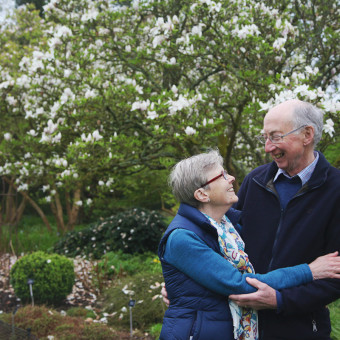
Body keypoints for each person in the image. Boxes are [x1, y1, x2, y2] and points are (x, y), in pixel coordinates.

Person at [158, 149, 340, 340]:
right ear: (202, 194)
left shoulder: (228, 226)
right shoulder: (182, 238)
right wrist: (309, 271)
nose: (232, 178)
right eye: (222, 176)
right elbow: (240, 284)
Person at [227, 99, 340, 339]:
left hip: (301, 329)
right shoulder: (255, 181)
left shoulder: (336, 190)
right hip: (243, 325)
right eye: (265, 137)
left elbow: (336, 273)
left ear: (307, 134)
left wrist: (280, 300)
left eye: (276, 137)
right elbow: (224, 241)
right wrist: (187, 282)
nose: (268, 147)